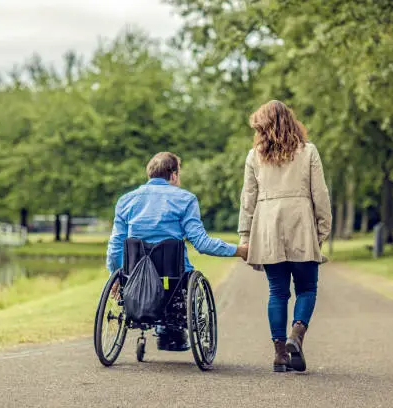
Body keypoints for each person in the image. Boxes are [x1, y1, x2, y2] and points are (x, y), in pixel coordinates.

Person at [107, 151, 249, 351]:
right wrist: (239, 251)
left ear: (150, 175)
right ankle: (170, 332)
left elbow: (115, 246)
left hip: (134, 276)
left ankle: (162, 329)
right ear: (173, 175)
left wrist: (117, 277)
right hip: (174, 278)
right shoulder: (185, 199)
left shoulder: (126, 201)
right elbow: (201, 243)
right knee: (179, 279)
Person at [238, 100, 332, 373]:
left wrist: (245, 234)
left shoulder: (254, 156)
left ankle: (280, 354)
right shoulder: (309, 151)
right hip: (301, 222)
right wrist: (322, 229)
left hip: (268, 224)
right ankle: (297, 334)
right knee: (307, 288)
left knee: (277, 292)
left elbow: (248, 199)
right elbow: (320, 194)